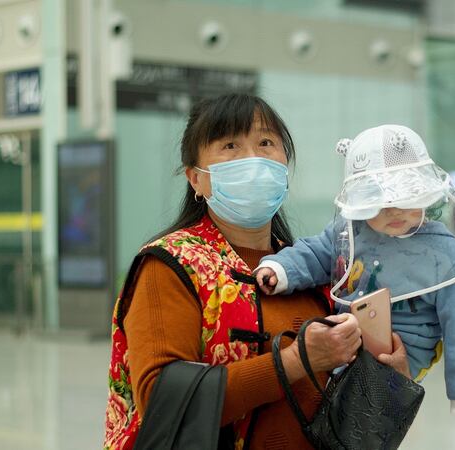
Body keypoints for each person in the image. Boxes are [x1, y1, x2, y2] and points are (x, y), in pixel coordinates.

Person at [103, 94, 410, 450]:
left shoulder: (312, 271)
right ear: (196, 179)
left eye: (266, 142)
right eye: (230, 145)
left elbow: (344, 416)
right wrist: (295, 361)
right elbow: (160, 399)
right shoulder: (171, 265)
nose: (252, 158)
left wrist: (387, 381)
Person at [255, 124, 455, 415]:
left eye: (406, 196)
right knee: (324, 415)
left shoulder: (446, 254)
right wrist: (281, 269)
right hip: (344, 349)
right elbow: (315, 252)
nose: (394, 210)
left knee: (363, 427)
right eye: (378, 200)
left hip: (401, 357)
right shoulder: (350, 232)